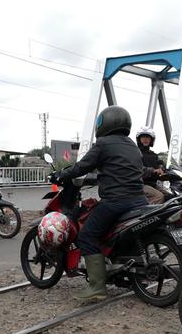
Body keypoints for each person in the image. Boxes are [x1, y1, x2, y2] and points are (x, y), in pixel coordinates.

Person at [53, 106, 148, 303]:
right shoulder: (131, 144)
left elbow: (82, 166)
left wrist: (62, 174)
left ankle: (96, 287)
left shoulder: (103, 144)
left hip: (116, 201)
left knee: (87, 235)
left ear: (105, 123)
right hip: (139, 200)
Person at [136, 128, 168, 206]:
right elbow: (137, 169)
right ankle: (145, 217)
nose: (145, 139)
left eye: (147, 137)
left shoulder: (154, 155)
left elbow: (158, 170)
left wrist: (164, 171)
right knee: (159, 196)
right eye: (143, 137)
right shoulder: (135, 153)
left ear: (151, 140)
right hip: (140, 184)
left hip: (152, 184)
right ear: (139, 139)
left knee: (170, 196)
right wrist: (153, 170)